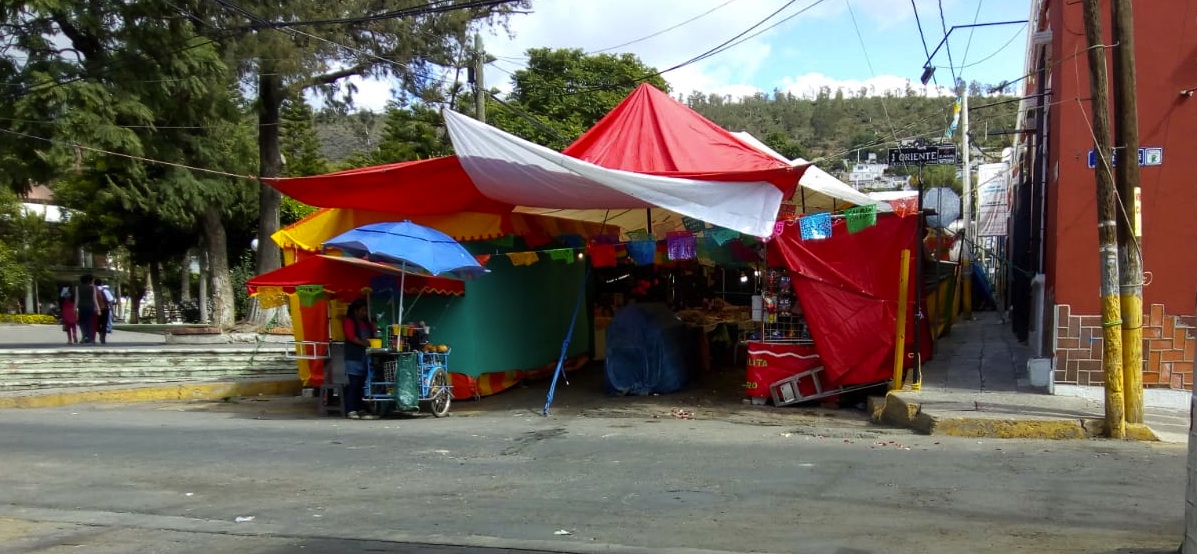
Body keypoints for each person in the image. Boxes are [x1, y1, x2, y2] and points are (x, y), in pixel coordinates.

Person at [341, 298, 378, 420]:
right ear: (355, 311)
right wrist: (364, 343)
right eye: (362, 310)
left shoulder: (367, 323)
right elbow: (351, 337)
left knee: (363, 383)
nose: (364, 313)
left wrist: (374, 325)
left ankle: (360, 408)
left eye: (366, 311)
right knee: (354, 383)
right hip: (354, 357)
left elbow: (374, 333)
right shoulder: (349, 321)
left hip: (365, 357)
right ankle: (351, 409)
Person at [75, 275, 98, 344]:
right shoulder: (92, 288)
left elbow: (77, 298)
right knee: (89, 322)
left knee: (82, 323)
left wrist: (75, 308)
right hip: (90, 307)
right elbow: (94, 298)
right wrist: (98, 308)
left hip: (81, 307)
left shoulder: (78, 288)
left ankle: (84, 336)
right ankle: (89, 337)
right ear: (89, 280)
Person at [94, 278, 116, 344]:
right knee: (104, 324)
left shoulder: (93, 290)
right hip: (105, 309)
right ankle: (103, 337)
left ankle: (100, 332)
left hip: (96, 309)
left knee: (97, 324)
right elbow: (110, 301)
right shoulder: (106, 291)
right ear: (101, 283)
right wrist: (112, 311)